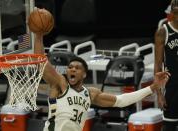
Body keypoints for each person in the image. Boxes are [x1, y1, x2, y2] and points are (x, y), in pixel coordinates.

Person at [34, 9, 170, 131]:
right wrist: (38, 36)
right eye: (70, 67)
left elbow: (121, 100)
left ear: (84, 74)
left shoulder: (90, 94)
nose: (73, 70)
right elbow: (42, 64)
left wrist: (152, 87)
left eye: (77, 68)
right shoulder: (60, 85)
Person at [155, 0, 178, 130]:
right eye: (176, 13)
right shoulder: (163, 32)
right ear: (171, 13)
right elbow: (157, 67)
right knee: (169, 127)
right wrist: (159, 94)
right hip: (172, 88)